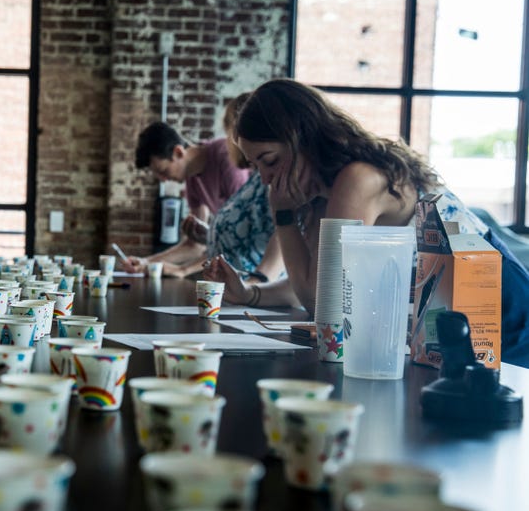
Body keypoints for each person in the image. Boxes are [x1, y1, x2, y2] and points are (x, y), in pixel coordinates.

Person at [206, 78, 529, 366]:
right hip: (450, 316)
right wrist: (251, 295)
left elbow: (322, 304)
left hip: (497, 301)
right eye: (255, 166)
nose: (264, 179)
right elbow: (315, 287)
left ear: (301, 140)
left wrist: (284, 217)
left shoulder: (358, 179)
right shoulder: (323, 197)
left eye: (270, 161)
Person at [124, 97, 265, 278]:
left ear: (178, 152)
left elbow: (240, 233)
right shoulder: (192, 180)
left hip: (256, 268)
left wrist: (183, 270)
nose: (163, 179)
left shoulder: (225, 155)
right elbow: (194, 245)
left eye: (163, 170)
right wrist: (147, 262)